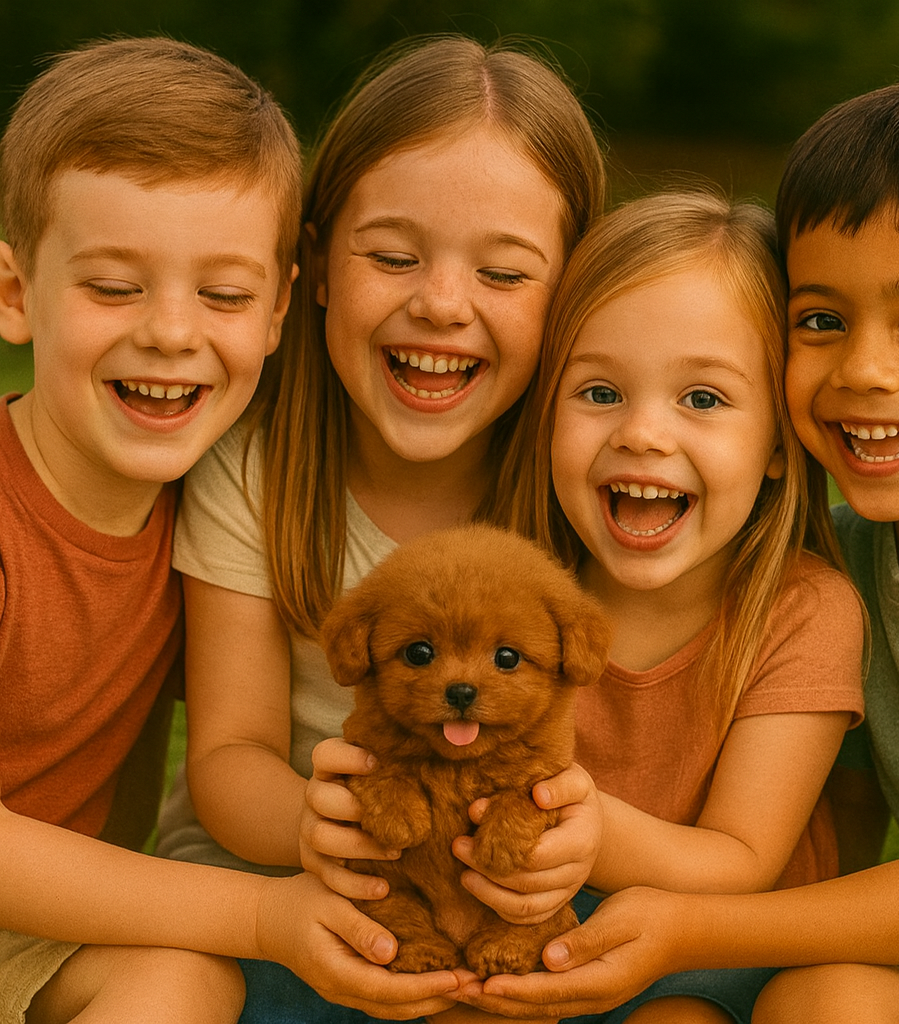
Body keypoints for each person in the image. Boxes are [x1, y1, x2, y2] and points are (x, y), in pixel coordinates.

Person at [462, 80, 899, 1024]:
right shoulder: (846, 558)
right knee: (818, 1003)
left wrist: (683, 933)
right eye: (822, 321)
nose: (865, 370)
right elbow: (840, 812)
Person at [154, 33, 607, 1021]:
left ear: (571, 296)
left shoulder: (582, 486)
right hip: (279, 875)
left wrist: (568, 837)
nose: (440, 303)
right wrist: (326, 830)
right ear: (313, 266)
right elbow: (229, 754)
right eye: (394, 256)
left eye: (504, 273)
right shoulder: (257, 471)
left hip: (496, 877)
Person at [0, 35, 412, 1024]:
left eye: (223, 295)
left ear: (276, 309)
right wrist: (263, 914)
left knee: (178, 979)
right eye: (113, 286)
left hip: (32, 937)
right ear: (16, 294)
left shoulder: (215, 508)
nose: (173, 331)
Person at [467, 189, 862, 1024]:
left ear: (783, 448)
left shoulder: (802, 610)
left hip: (717, 955)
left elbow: (742, 857)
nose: (643, 433)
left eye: (704, 400)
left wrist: (582, 824)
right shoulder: (514, 591)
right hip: (527, 929)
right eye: (600, 393)